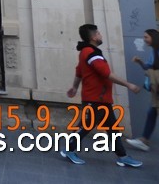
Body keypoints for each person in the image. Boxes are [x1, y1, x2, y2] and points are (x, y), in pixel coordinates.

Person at [60, 23, 142, 168]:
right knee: (85, 126)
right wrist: (129, 85)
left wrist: (74, 87)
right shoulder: (92, 53)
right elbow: (106, 73)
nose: (100, 35)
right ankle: (68, 149)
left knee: (112, 129)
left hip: (101, 99)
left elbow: (79, 71)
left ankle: (122, 156)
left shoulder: (86, 52)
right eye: (98, 33)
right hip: (95, 99)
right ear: (93, 37)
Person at [126, 28, 159, 152]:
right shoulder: (154, 51)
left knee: (152, 112)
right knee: (152, 112)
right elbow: (148, 66)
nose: (144, 40)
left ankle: (144, 140)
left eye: (146, 37)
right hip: (157, 89)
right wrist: (140, 62)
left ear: (153, 37)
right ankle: (144, 140)